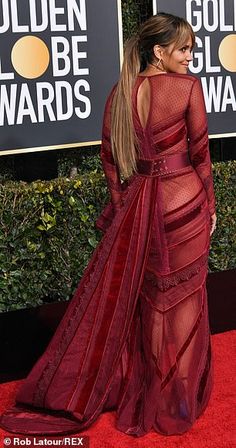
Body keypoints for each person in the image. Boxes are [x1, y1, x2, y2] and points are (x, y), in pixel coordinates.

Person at [0, 12, 217, 437]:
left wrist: (122, 208)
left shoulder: (121, 92)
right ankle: (177, 401)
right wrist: (210, 208)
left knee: (152, 305)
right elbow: (202, 155)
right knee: (186, 302)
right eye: (185, 48)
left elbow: (109, 160)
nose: (192, 57)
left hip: (142, 209)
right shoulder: (187, 88)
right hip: (184, 205)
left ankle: (152, 394)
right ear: (159, 51)